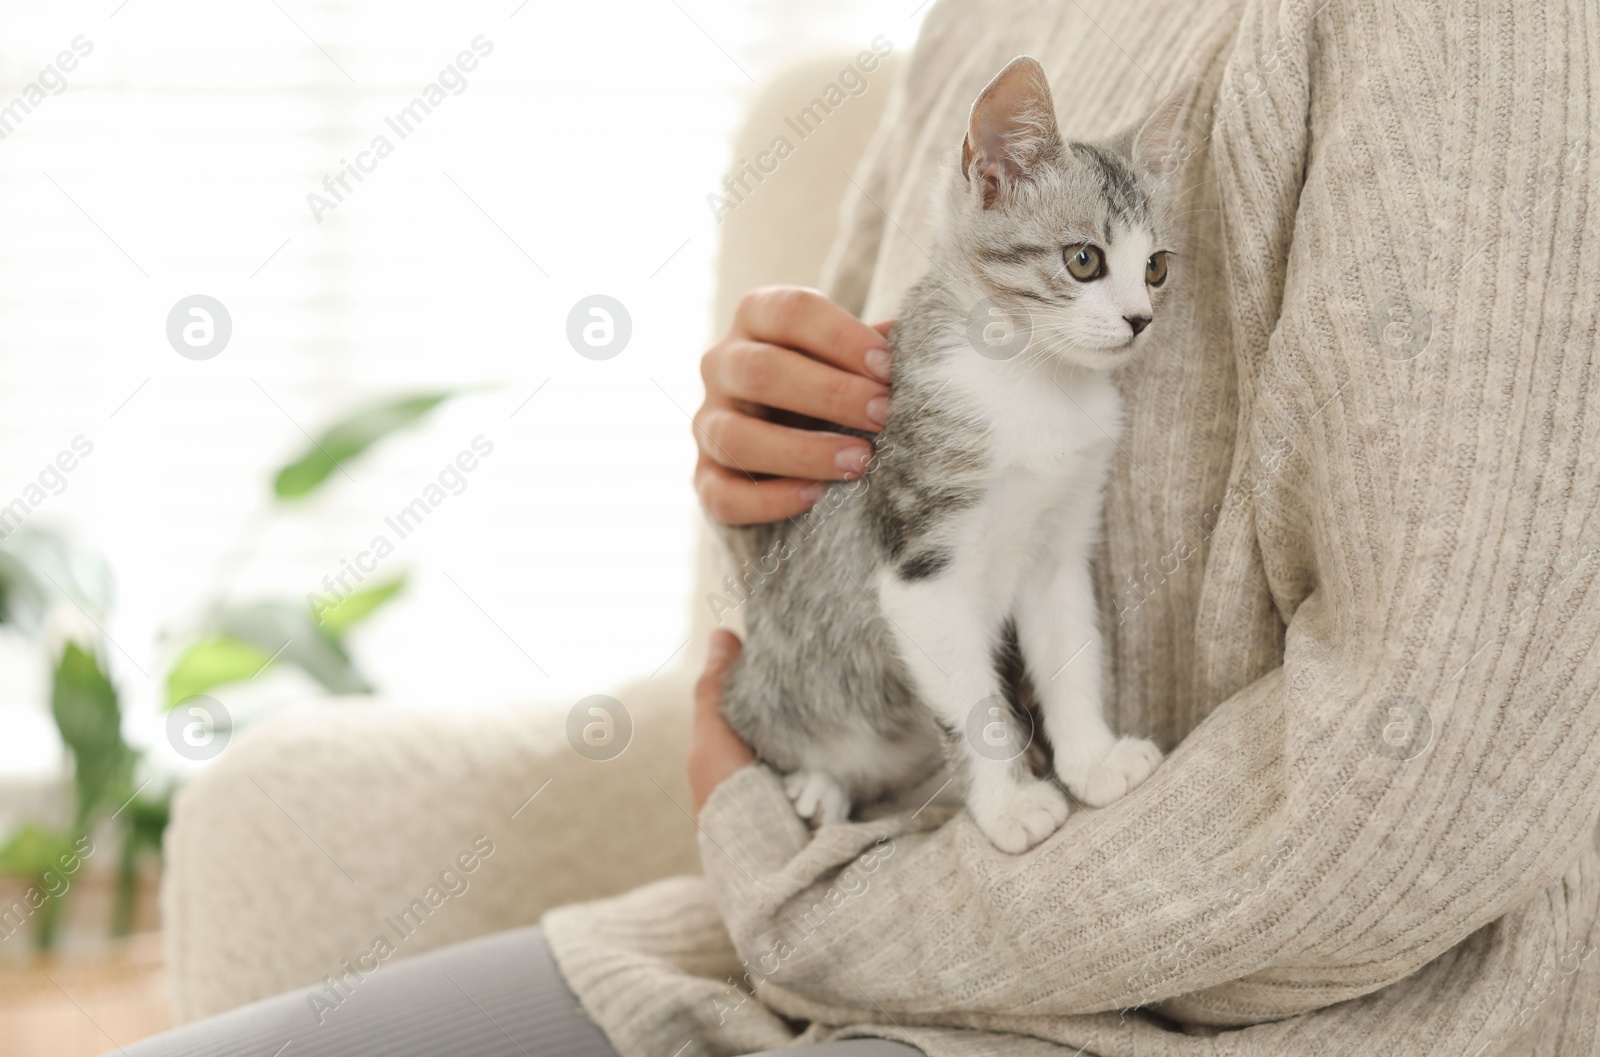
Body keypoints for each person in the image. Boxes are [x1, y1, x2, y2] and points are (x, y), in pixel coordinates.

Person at [123, 0, 1600, 1054]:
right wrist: (769, 468)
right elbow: (868, 525)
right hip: (850, 933)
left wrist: (812, 902)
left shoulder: (1474, 34)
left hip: (1273, 1010)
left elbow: (1425, 793)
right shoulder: (983, 27)